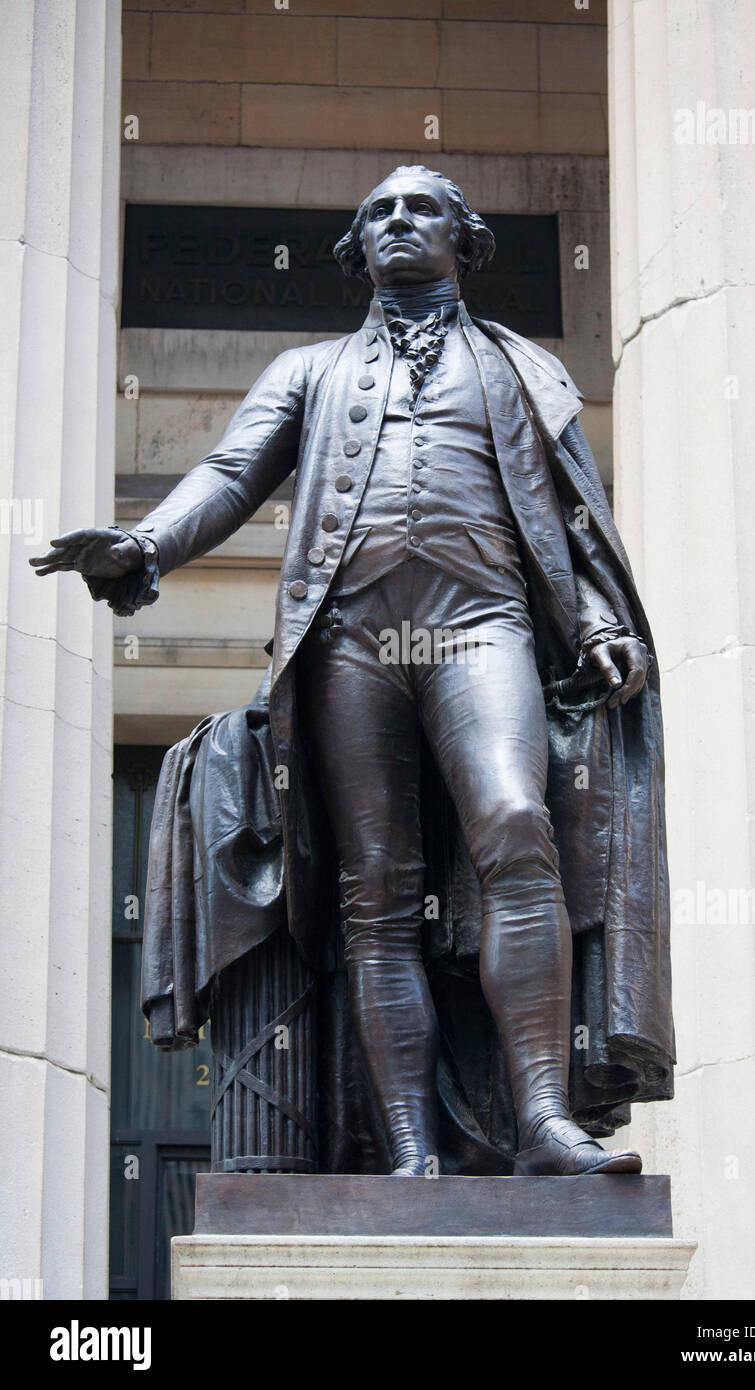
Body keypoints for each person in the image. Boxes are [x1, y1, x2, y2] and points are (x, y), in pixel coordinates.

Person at [32, 167, 674, 1176]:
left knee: (514, 821)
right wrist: (147, 546)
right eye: (377, 212)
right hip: (347, 640)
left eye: (419, 209)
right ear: (357, 246)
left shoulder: (519, 369)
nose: (396, 223)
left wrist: (594, 616)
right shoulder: (309, 369)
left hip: (481, 623)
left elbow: (566, 516)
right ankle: (409, 1149)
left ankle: (543, 1116)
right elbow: (231, 471)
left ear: (462, 237)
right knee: (377, 890)